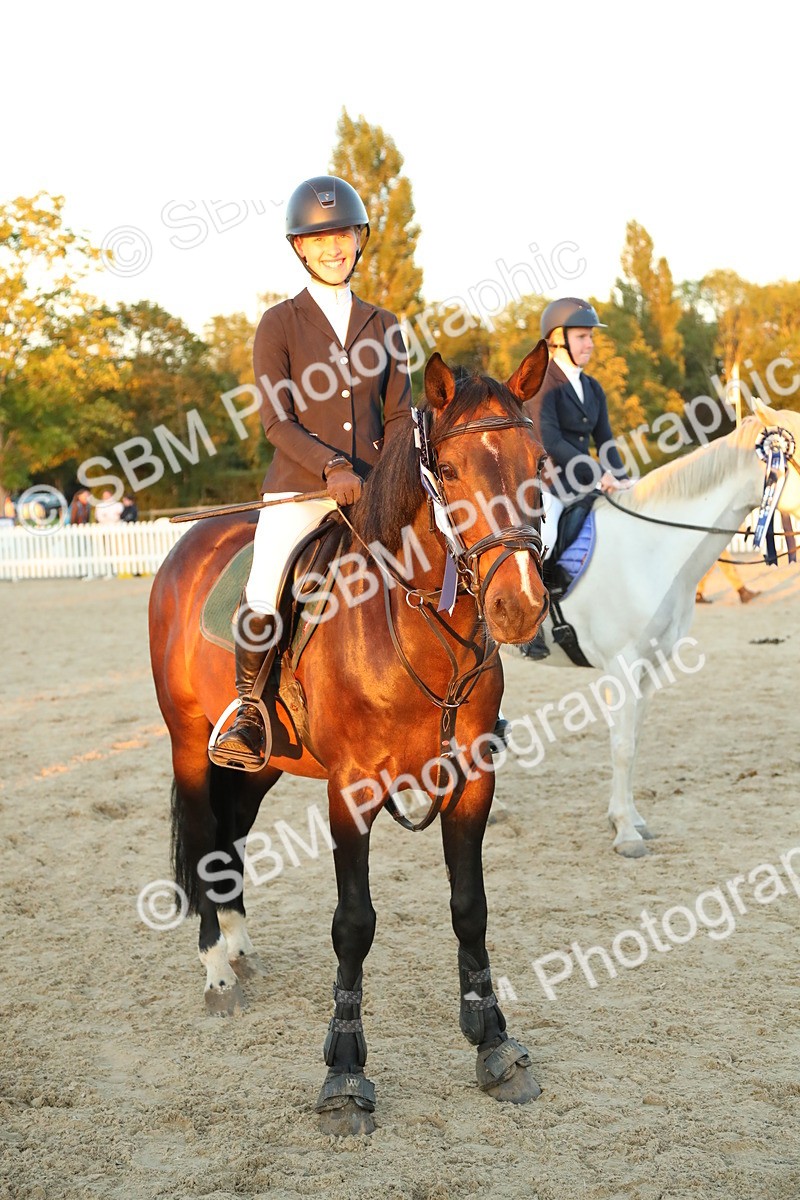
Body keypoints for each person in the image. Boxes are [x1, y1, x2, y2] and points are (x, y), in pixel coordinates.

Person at [211, 175, 413, 770]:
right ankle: (250, 711)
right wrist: (330, 468)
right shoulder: (279, 324)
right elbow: (277, 420)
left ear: (359, 241)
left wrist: (385, 478)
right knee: (265, 582)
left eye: (343, 235)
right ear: (300, 246)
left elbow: (400, 415)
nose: (333, 247)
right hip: (300, 489)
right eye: (319, 238)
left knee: (445, 557)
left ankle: (468, 693)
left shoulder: (385, 324)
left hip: (378, 490)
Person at [522, 297, 633, 660]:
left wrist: (622, 476)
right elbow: (550, 440)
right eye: (583, 337)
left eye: (590, 337)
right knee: (548, 535)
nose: (590, 344)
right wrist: (599, 472)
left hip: (585, 482)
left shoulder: (594, 388)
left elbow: (606, 441)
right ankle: (531, 625)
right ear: (558, 338)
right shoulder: (543, 384)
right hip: (549, 483)